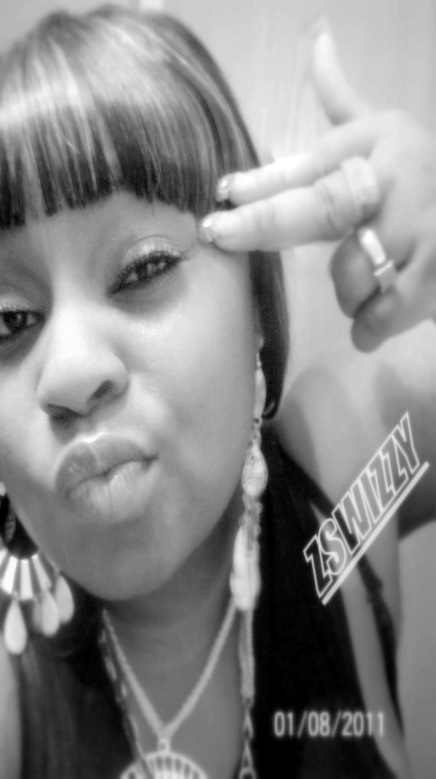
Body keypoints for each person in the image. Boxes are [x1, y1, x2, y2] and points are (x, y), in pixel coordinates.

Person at [0, 6, 429, 778]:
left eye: (142, 269)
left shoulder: (346, 502)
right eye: (9, 321)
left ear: (256, 306)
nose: (69, 373)